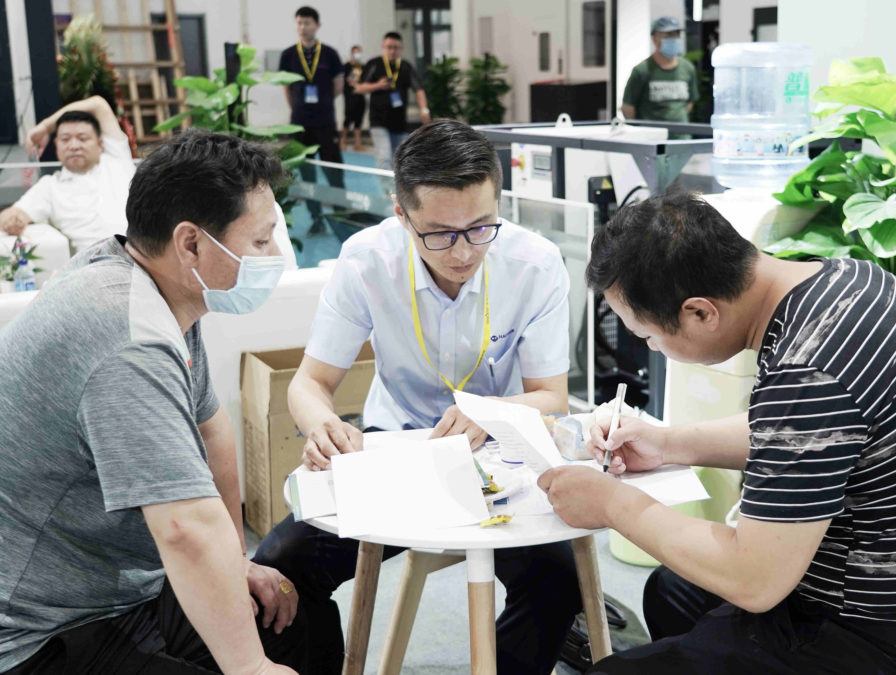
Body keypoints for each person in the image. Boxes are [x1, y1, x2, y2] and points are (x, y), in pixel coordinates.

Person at [539, 192, 896, 674]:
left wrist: (612, 504)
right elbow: (797, 436)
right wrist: (668, 443)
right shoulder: (849, 281)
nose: (652, 347)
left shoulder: (809, 370)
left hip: (886, 634)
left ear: (700, 313)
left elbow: (754, 581)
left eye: (648, 336)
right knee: (673, 591)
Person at [253, 119, 581, 674]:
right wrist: (322, 426)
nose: (463, 252)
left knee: (558, 583)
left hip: (499, 454)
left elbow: (551, 398)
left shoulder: (535, 264)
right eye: (440, 233)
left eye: (480, 227)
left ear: (498, 204)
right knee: (279, 565)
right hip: (396, 446)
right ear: (401, 215)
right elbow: (311, 383)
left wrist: (493, 414)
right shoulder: (366, 260)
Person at [0, 130, 309, 674]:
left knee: (297, 625)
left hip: (118, 582)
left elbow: (212, 427)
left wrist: (236, 562)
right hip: (42, 628)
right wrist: (250, 668)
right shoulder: (127, 339)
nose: (276, 257)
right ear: (190, 244)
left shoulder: (155, 288)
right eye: (261, 242)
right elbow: (184, 527)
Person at [0, 95, 134, 252]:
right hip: (94, 262)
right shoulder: (50, 186)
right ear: (56, 145)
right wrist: (12, 221)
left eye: (82, 138)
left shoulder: (117, 159)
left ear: (100, 143)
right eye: (65, 139)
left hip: (144, 254)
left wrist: (45, 127)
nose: (74, 146)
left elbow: (98, 104)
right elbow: (14, 214)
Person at [278, 5, 346, 230]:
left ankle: (341, 214)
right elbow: (286, 88)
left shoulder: (330, 54)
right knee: (307, 171)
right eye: (299, 22)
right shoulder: (288, 55)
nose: (302, 27)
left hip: (325, 121)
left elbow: (338, 86)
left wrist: (322, 103)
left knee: (333, 169)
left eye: (307, 22)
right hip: (300, 123)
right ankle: (316, 218)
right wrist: (298, 108)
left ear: (317, 25)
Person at [355, 31, 431, 170]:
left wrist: (424, 109)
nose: (392, 51)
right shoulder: (374, 64)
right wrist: (378, 85)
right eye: (389, 47)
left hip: (399, 122)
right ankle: (386, 185)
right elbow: (359, 88)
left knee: (402, 159)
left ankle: (397, 184)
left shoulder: (405, 66)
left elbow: (419, 89)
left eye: (396, 48)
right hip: (378, 121)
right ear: (383, 47)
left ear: (401, 49)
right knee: (384, 157)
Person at [621, 17, 700, 123]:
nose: (673, 39)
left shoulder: (688, 68)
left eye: (676, 34)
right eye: (668, 35)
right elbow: (628, 108)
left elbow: (690, 102)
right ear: (654, 39)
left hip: (681, 132)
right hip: (652, 132)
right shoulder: (642, 71)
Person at [341, 43, 367, 151]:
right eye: (356, 52)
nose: (357, 54)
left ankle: (358, 143)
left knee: (358, 119)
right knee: (348, 119)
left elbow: (366, 81)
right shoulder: (346, 66)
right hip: (349, 96)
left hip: (360, 96)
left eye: (359, 52)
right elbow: (344, 81)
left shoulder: (363, 67)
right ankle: (343, 141)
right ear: (352, 53)